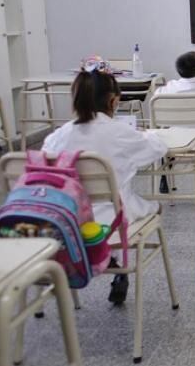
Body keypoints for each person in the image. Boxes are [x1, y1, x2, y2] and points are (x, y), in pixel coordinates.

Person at [42, 68, 168, 304]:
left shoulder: (56, 137)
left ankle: (101, 260)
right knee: (149, 208)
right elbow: (155, 150)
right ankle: (117, 263)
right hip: (111, 221)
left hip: (65, 221)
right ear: (113, 100)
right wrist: (149, 135)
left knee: (114, 206)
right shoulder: (120, 132)